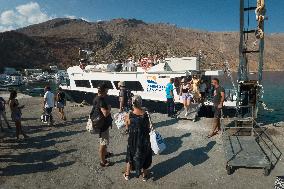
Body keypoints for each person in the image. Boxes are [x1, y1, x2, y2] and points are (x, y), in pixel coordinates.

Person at [124, 95, 152, 181]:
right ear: (141, 102)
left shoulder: (129, 114)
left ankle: (127, 174)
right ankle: (144, 175)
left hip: (133, 139)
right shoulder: (146, 113)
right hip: (144, 139)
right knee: (145, 155)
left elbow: (127, 127)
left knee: (130, 155)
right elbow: (150, 126)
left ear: (132, 103)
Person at [90, 82, 113, 167]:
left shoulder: (96, 97)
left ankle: (106, 153)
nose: (108, 91)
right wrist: (109, 108)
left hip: (101, 123)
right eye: (107, 89)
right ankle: (103, 161)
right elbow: (105, 113)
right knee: (103, 143)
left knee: (104, 140)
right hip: (102, 125)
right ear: (104, 90)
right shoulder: (101, 100)